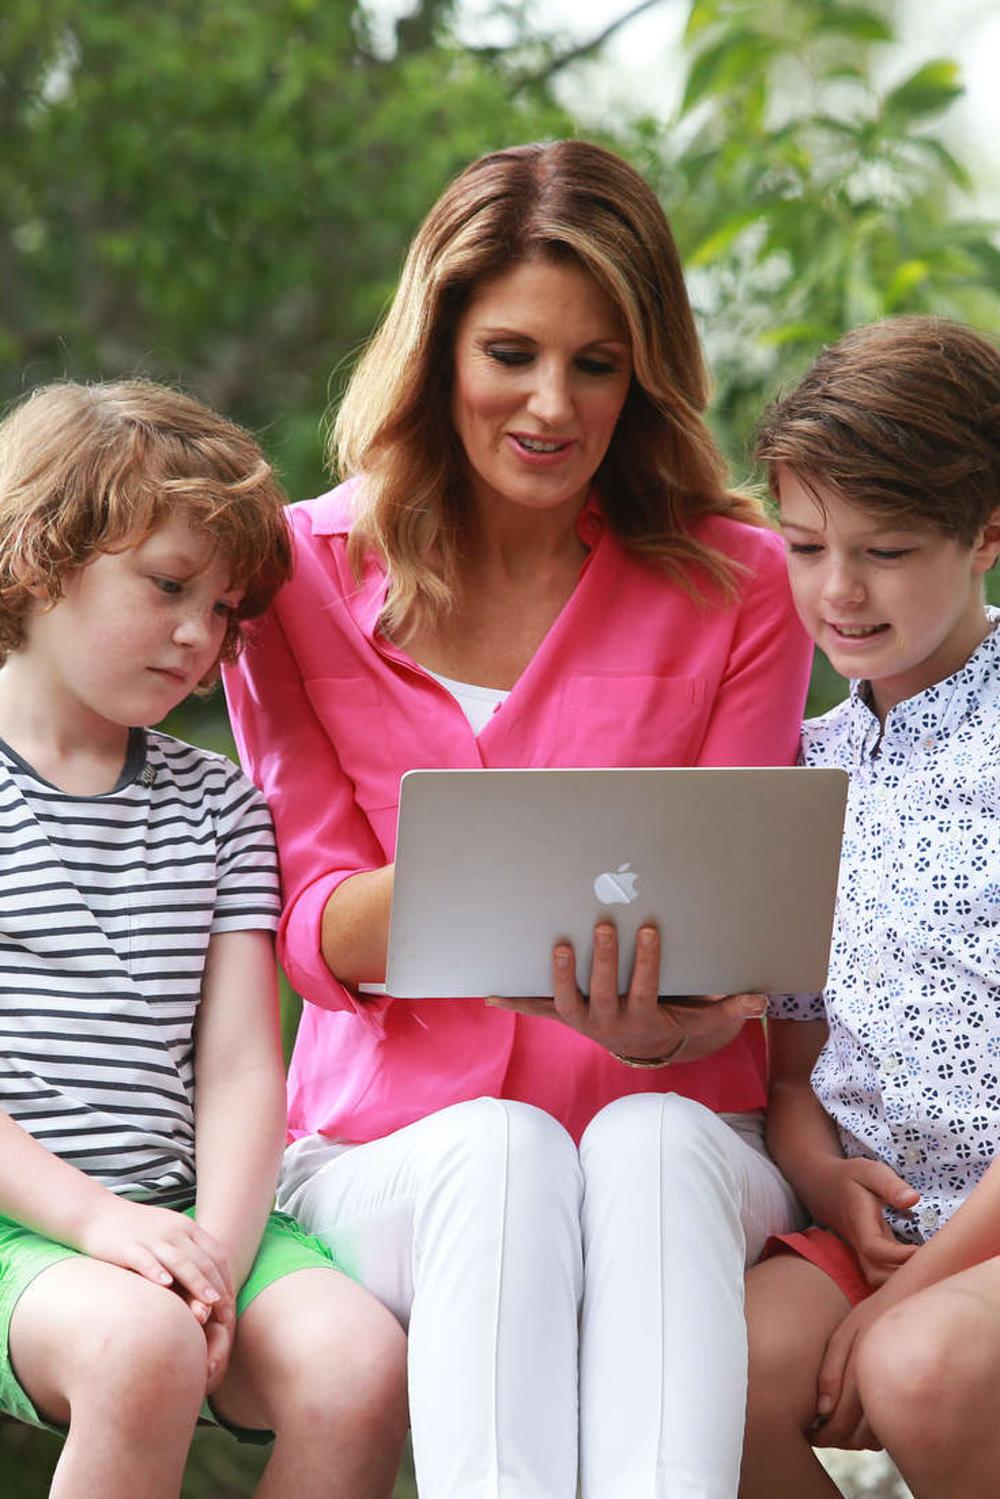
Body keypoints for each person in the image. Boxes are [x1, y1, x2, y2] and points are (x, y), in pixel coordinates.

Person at [225, 139, 813, 1499]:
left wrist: (672, 1019)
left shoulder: (744, 584)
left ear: (645, 373)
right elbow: (310, 926)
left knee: (649, 1141)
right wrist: (480, 874)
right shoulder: (298, 575)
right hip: (389, 1145)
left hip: (679, 1116)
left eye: (597, 362)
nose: (552, 402)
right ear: (438, 352)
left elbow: (743, 917)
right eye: (511, 353)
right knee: (501, 1152)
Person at [0, 381, 408, 1499]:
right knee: (142, 1346)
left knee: (357, 1364)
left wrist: (217, 1259)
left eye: (225, 610)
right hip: (21, 1220)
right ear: (42, 554)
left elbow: (237, 1062)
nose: (200, 635)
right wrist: (102, 1223)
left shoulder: (221, 807)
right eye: (169, 586)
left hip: (188, 1213)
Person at [739, 316, 1000, 1499]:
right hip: (879, 1226)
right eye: (804, 545)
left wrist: (912, 1287)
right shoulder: (804, 768)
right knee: (718, 1371)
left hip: (974, 1238)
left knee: (917, 1370)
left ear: (987, 530)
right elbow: (790, 1072)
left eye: (885, 550)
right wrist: (828, 1181)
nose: (837, 591)